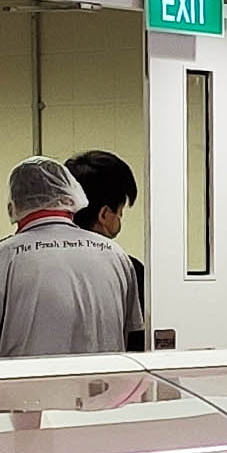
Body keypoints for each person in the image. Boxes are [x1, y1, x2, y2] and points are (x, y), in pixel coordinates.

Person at [0, 155, 145, 358]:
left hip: (26, 388)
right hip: (104, 388)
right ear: (70, 195)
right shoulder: (117, 257)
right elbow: (131, 343)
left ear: (14, 204)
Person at [65, 148, 149, 353]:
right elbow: (139, 345)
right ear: (104, 214)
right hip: (109, 381)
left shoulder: (17, 258)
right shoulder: (126, 267)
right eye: (120, 212)